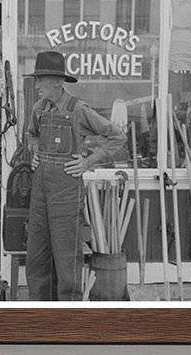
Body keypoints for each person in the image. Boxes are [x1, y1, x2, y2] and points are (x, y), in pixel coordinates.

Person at [25, 50, 126, 301]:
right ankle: (40, 312)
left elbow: (117, 136)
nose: (36, 84)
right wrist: (35, 151)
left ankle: (67, 314)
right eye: (36, 79)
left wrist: (88, 162)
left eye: (41, 79)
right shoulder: (39, 109)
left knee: (67, 254)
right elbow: (31, 135)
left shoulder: (78, 110)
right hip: (40, 190)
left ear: (58, 81)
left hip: (65, 192)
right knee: (37, 253)